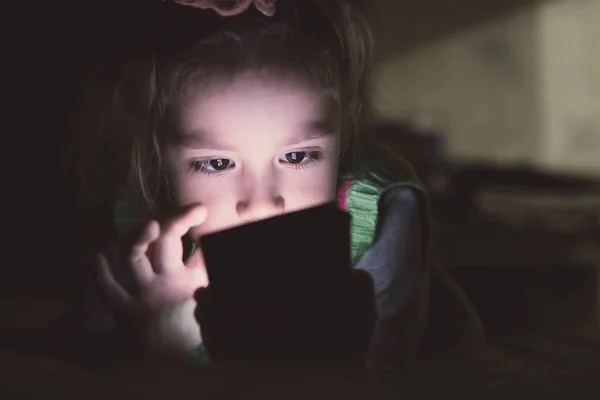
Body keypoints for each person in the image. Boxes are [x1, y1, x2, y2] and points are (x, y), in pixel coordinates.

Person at [49, 0, 431, 373]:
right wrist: (163, 345)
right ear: (155, 162)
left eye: (298, 158)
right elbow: (81, 363)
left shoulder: (378, 212)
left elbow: (382, 375)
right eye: (217, 163)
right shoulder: (141, 233)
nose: (261, 203)